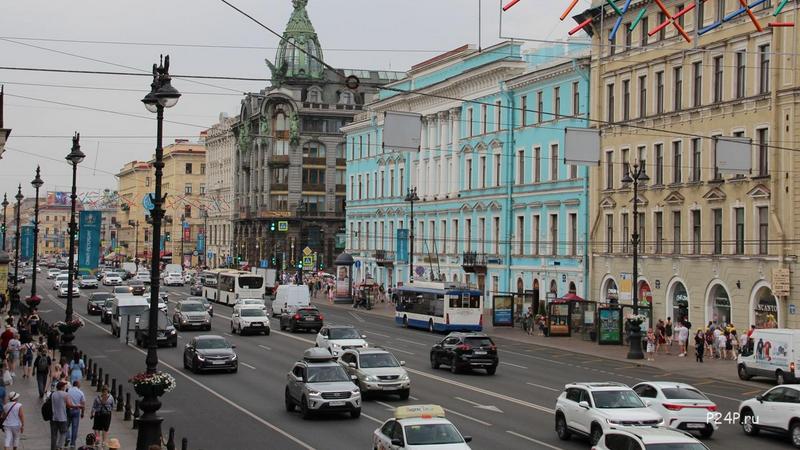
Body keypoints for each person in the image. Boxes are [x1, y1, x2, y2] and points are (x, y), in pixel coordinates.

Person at [50, 381, 74, 450]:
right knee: (63, 432)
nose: (65, 387)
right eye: (64, 386)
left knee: (54, 435)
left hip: (54, 417)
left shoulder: (53, 394)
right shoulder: (65, 394)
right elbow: (69, 405)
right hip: (62, 417)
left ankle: (53, 448)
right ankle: (59, 446)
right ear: (62, 387)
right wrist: (78, 406)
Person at [65, 380, 85, 449]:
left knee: (67, 425)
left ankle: (67, 437)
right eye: (80, 384)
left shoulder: (68, 391)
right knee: (75, 427)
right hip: (76, 411)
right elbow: (83, 404)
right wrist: (82, 413)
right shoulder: (81, 392)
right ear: (77, 385)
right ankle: (73, 443)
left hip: (68, 410)